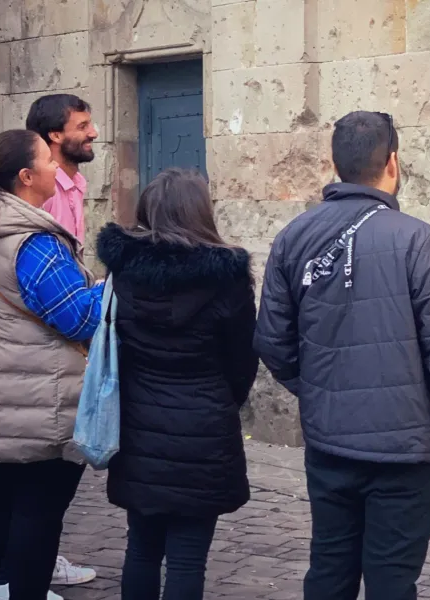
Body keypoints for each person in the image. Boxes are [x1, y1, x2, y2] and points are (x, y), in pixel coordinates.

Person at [254, 111, 430, 600]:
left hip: (332, 440)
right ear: (393, 163)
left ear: (334, 164)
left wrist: (322, 387)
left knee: (329, 572)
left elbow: (274, 342)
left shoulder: (294, 237)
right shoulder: (417, 240)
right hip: (405, 449)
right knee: (391, 581)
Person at [0, 129, 105, 600]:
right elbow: (80, 318)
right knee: (35, 525)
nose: (57, 167)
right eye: (47, 161)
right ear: (27, 177)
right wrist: (111, 288)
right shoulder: (33, 242)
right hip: (36, 409)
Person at [95, 168, 259, 600]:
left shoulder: (124, 271)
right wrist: (222, 400)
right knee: (188, 558)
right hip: (204, 426)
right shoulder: (227, 277)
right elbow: (243, 359)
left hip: (138, 423)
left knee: (142, 548)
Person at [26, 93, 99, 243]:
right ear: (56, 136)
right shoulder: (40, 188)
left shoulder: (76, 182)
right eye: (82, 127)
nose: (94, 133)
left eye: (90, 125)